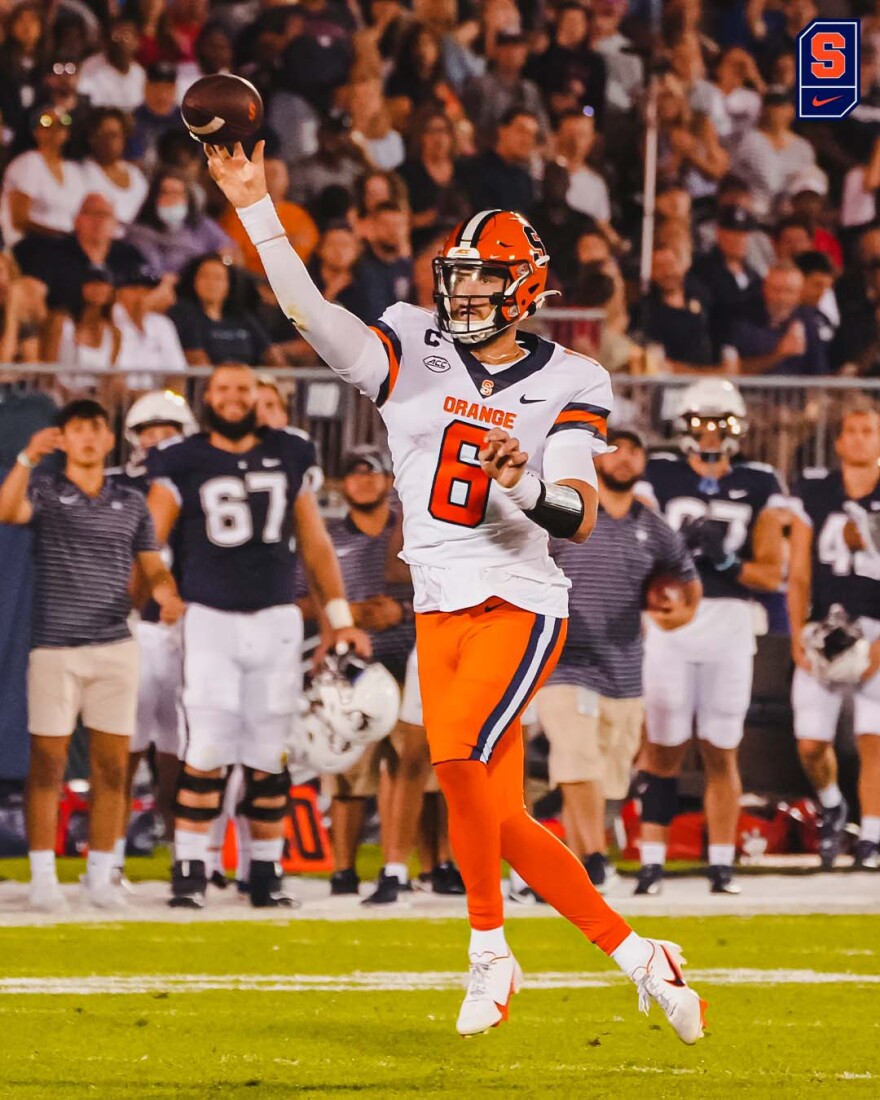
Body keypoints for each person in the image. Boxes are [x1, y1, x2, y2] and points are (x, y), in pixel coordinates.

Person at [207, 139, 706, 1043]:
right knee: (493, 804)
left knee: (453, 759)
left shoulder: (570, 378)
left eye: (482, 279)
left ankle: (490, 950)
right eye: (458, 277)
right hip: (437, 596)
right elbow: (306, 310)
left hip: (517, 594)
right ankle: (639, 956)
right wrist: (256, 208)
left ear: (522, 286)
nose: (463, 293)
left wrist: (519, 484)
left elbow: (579, 515)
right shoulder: (409, 339)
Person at [146, 364, 369, 910]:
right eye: (223, 388)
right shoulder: (183, 457)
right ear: (208, 396)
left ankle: (265, 872)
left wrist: (338, 615)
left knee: (271, 749)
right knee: (210, 742)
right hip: (210, 616)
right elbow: (148, 538)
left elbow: (315, 544)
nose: (232, 398)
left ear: (258, 396)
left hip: (275, 619)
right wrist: (162, 588)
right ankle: (191, 867)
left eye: (243, 389)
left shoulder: (292, 451)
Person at [0, 399, 184, 911]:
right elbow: (5, 510)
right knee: (47, 765)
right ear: (63, 438)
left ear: (108, 440)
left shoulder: (130, 501)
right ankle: (43, 878)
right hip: (56, 649)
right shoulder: (46, 491)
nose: (86, 437)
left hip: (114, 646)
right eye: (76, 429)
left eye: (94, 429)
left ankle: (101, 875)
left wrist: (166, 592)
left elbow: (151, 564)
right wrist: (25, 459)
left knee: (111, 768)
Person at [635, 379, 788, 897]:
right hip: (670, 618)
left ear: (737, 427)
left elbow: (770, 575)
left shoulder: (760, 481)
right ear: (683, 426)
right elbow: (636, 545)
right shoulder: (659, 473)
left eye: (719, 423)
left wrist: (727, 562)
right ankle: (652, 860)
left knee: (723, 749)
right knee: (662, 748)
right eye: (701, 422)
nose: (709, 433)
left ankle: (722, 863)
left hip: (729, 620)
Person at [536, 428, 700, 892]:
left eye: (634, 450)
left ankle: (568, 872)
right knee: (576, 760)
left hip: (624, 669)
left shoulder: (652, 525)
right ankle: (595, 859)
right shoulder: (566, 514)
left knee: (603, 781)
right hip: (564, 663)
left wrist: (677, 614)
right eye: (615, 450)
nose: (625, 458)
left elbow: (688, 582)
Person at [107, 391, 197, 875]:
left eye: (169, 429)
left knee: (185, 755)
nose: (158, 438)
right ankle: (110, 855)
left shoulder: (205, 481)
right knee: (124, 749)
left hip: (192, 629)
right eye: (150, 429)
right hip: (132, 627)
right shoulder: (115, 487)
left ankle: (188, 854)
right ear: (134, 437)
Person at [788, 402, 880, 871]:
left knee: (873, 736)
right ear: (840, 441)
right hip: (824, 628)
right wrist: (794, 634)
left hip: (876, 625)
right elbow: (799, 571)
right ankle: (831, 806)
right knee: (810, 741)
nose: (861, 437)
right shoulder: (816, 491)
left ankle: (872, 837)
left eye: (869, 429)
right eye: (853, 429)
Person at [13, 192, 144, 314]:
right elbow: (34, 293)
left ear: (115, 224)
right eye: (89, 213)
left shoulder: (129, 255)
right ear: (76, 220)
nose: (97, 221)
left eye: (104, 214)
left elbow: (145, 292)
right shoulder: (52, 253)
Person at [169, 252, 278, 367]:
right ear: (194, 281)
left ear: (229, 284)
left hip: (247, 382)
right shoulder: (184, 315)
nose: (211, 283)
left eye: (218, 278)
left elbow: (272, 356)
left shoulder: (243, 317)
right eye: (205, 276)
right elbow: (197, 362)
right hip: (214, 383)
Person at [0, 106, 86, 247]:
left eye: (62, 124)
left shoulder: (74, 171)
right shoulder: (28, 163)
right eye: (47, 124)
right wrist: (59, 236)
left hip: (66, 249)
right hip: (29, 246)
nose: (55, 129)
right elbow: (19, 220)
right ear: (35, 132)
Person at [219, 156, 318, 277]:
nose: (269, 179)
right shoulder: (236, 215)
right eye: (263, 173)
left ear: (287, 180)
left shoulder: (298, 215)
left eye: (274, 174)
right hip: (249, 280)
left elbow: (307, 249)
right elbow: (232, 254)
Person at [125, 168, 235, 276]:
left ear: (188, 198)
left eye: (177, 193)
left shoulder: (201, 224)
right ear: (154, 197)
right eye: (165, 193)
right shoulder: (139, 232)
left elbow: (227, 249)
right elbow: (154, 271)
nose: (171, 199)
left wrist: (222, 263)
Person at [730, 261, 827, 376]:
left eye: (789, 291)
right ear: (765, 289)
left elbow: (818, 374)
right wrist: (779, 354)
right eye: (776, 290)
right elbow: (733, 371)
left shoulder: (808, 321)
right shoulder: (743, 319)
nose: (782, 298)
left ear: (799, 294)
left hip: (795, 392)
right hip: (751, 392)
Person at [40, 265, 122, 394]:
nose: (98, 289)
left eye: (103, 284)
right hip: (59, 397)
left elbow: (108, 379)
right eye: (92, 283)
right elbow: (48, 369)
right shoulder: (61, 322)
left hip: (94, 401)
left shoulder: (114, 334)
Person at [640, 245, 715, 372]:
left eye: (671, 265)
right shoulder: (647, 310)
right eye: (660, 267)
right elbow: (656, 358)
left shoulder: (702, 297)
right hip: (673, 384)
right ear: (652, 272)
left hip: (708, 378)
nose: (667, 272)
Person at [81, 107, 149, 228]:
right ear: (92, 138)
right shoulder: (82, 173)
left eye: (115, 135)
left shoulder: (136, 174)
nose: (109, 142)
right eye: (104, 135)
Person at [461, 108, 538, 215]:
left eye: (532, 135)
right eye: (521, 131)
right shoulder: (474, 169)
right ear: (502, 130)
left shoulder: (525, 180)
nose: (527, 140)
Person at [78, 17, 146, 112]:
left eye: (126, 35)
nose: (121, 40)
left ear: (137, 42)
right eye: (116, 35)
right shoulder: (90, 67)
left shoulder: (139, 73)